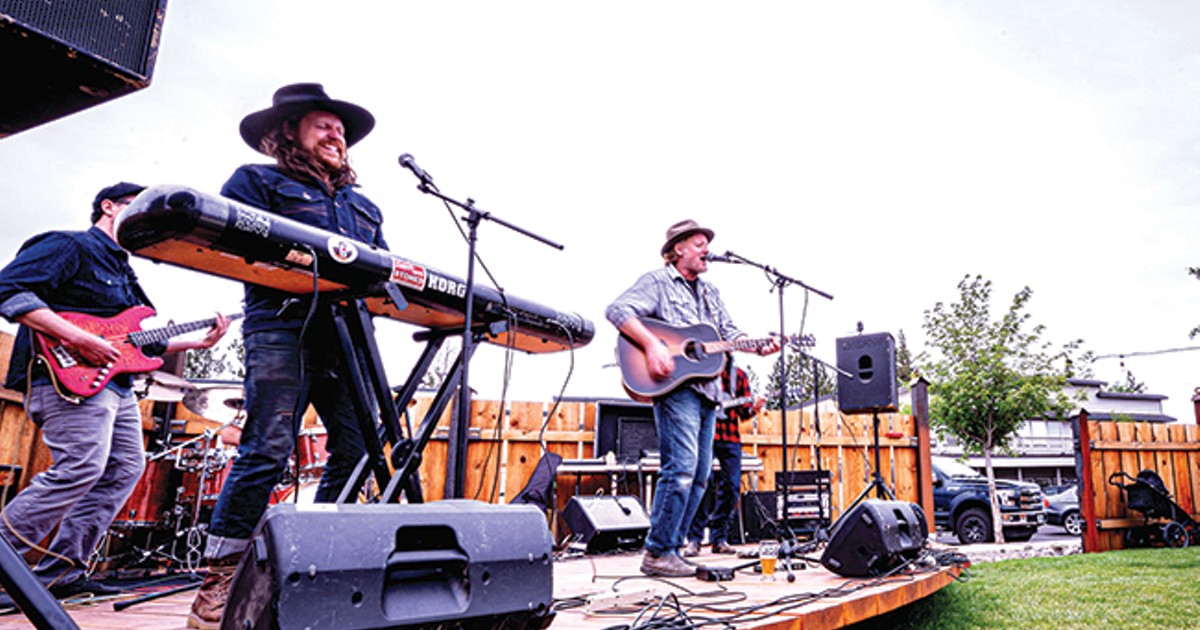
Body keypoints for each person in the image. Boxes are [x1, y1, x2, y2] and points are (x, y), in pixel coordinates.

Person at [190, 83, 389, 629]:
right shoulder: (255, 181)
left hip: (348, 332)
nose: (336, 135)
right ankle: (221, 579)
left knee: (358, 449)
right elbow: (234, 244)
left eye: (341, 130)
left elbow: (380, 270)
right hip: (282, 327)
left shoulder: (362, 204)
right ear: (288, 132)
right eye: (324, 125)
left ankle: (320, 560)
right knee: (266, 449)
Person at [0, 182, 230, 599]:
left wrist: (196, 343)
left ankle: (61, 574)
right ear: (108, 207)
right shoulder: (68, 246)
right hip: (67, 375)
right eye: (135, 208)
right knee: (81, 468)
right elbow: (9, 290)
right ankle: (4, 561)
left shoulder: (126, 271)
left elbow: (133, 341)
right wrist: (77, 338)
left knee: (124, 469)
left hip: (116, 385)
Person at [605, 219, 779, 578]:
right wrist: (653, 344)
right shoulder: (657, 281)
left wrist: (758, 345)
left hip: (710, 393)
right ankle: (658, 551)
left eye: (706, 244)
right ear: (678, 248)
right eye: (699, 244)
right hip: (676, 388)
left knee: (700, 476)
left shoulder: (711, 292)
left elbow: (730, 333)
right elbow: (618, 310)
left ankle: (674, 548)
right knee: (681, 469)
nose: (706, 250)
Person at [683, 359, 763, 556]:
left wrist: (754, 408)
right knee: (703, 483)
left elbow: (744, 412)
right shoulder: (700, 372)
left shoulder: (739, 376)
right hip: (703, 435)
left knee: (732, 486)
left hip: (729, 436)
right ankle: (695, 539)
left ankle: (719, 538)